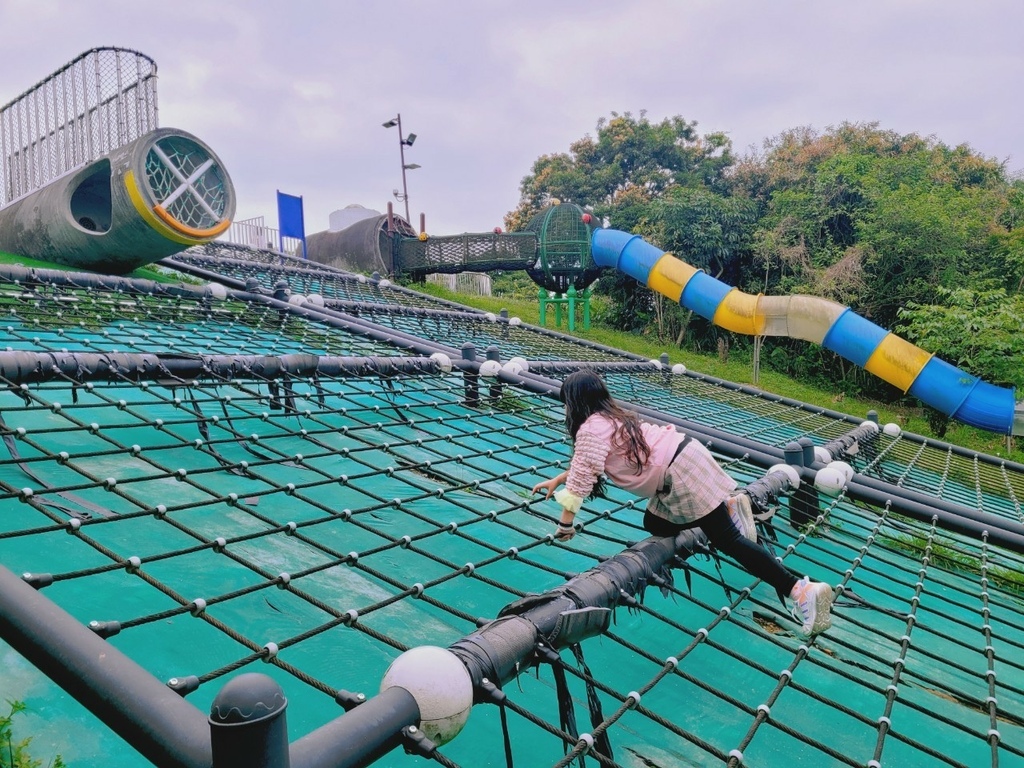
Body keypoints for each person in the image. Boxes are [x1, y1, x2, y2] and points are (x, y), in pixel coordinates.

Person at [532, 370, 834, 637]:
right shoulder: (612, 416)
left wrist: (565, 524)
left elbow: (584, 478)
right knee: (653, 523)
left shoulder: (589, 428)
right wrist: (560, 479)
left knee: (728, 541)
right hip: (688, 454)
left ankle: (800, 590)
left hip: (679, 474)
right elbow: (590, 463)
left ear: (573, 402)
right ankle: (726, 508)